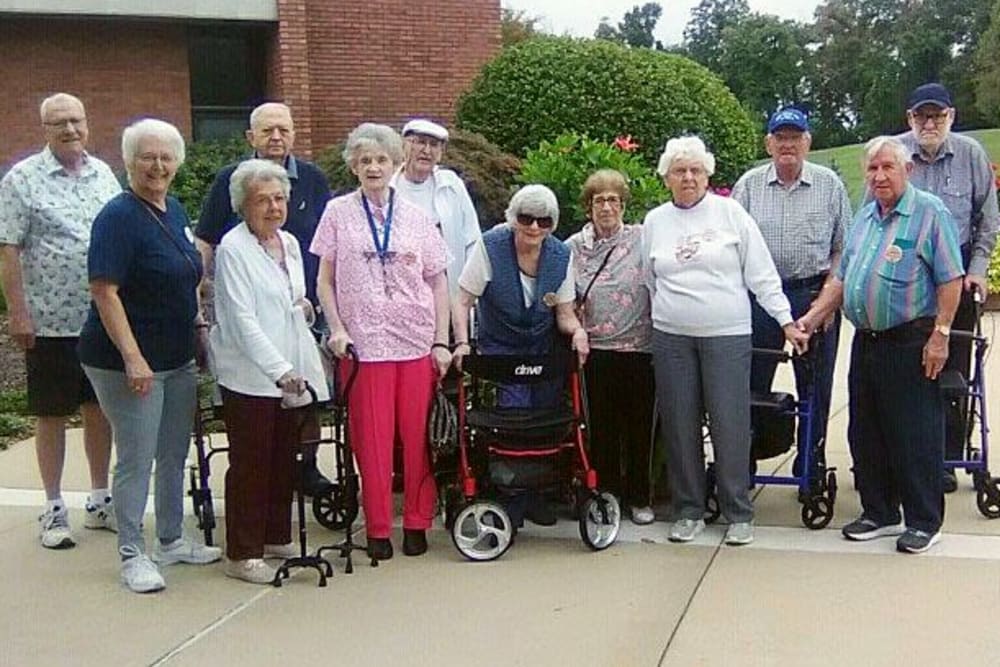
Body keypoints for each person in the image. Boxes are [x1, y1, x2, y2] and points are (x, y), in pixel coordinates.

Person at [800, 136, 964, 554]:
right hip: (867, 342)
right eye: (872, 169)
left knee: (914, 435)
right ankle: (880, 512)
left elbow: (950, 279)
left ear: (906, 170)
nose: (879, 176)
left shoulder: (929, 213)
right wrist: (813, 317)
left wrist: (940, 335)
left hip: (910, 341)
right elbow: (842, 278)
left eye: (887, 167)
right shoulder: (866, 215)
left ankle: (924, 520)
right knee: (866, 431)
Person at [642, 136, 808, 547]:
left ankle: (738, 511)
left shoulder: (730, 213)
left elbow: (761, 274)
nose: (688, 177)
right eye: (680, 171)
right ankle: (688, 510)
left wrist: (785, 320)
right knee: (679, 425)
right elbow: (650, 279)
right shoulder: (655, 221)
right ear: (666, 178)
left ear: (708, 175)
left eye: (696, 170)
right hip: (672, 336)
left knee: (729, 422)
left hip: (726, 334)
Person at [79, 119, 221, 593]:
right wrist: (133, 357)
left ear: (177, 163)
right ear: (129, 162)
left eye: (165, 157)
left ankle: (171, 539)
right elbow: (105, 290)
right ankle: (132, 553)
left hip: (177, 355)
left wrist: (198, 329)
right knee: (137, 458)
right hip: (126, 360)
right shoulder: (118, 217)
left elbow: (186, 279)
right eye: (147, 156)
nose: (157, 166)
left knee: (173, 452)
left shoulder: (173, 208)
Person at [311, 123, 450, 561]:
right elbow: (325, 281)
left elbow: (438, 279)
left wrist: (441, 341)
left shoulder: (417, 217)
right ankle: (375, 527)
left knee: (417, 437)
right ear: (353, 165)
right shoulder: (336, 212)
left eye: (382, 160)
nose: (374, 167)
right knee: (370, 440)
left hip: (414, 340)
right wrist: (336, 328)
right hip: (363, 344)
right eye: (365, 160)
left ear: (396, 165)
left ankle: (416, 522)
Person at [0, 93, 119, 549]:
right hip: (49, 320)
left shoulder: (103, 173)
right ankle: (52, 507)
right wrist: (18, 311)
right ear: (44, 129)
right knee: (50, 413)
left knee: (98, 409)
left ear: (87, 123)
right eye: (58, 123)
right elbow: (8, 247)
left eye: (75, 120)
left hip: (100, 316)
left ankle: (100, 498)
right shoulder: (23, 179)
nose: (69, 129)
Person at [195, 102, 332, 495]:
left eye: (283, 130)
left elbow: (328, 243)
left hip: (300, 304)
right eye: (267, 130)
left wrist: (321, 302)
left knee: (309, 398)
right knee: (261, 405)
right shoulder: (232, 180)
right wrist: (197, 296)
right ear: (250, 137)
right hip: (251, 304)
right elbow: (206, 239)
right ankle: (264, 482)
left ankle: (305, 466)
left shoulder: (312, 178)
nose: (276, 137)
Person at [210, 159, 330, 584]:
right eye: (263, 200)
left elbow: (291, 298)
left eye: (279, 198)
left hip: (291, 368)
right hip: (250, 374)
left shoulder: (291, 244)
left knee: (285, 456)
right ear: (243, 205)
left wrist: (306, 309)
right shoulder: (233, 249)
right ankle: (242, 552)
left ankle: (275, 533)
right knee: (252, 462)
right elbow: (242, 320)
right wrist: (279, 370)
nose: (274, 207)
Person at [452, 184, 590, 527]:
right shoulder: (491, 246)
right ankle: (510, 493)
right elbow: (463, 300)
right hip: (500, 347)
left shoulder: (560, 256)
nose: (534, 228)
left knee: (545, 419)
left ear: (552, 225)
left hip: (542, 348)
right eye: (526, 219)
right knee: (513, 418)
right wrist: (462, 342)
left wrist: (579, 332)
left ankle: (537, 493)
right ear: (514, 218)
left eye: (543, 221)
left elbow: (564, 313)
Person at [732, 107, 851, 477]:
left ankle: (810, 459)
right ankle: (746, 455)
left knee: (815, 383)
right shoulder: (748, 186)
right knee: (751, 381)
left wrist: (828, 300)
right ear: (768, 143)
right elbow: (731, 247)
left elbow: (844, 250)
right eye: (780, 137)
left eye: (795, 137)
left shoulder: (829, 184)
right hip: (760, 300)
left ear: (807, 142)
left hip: (812, 294)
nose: (788, 145)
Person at [897, 83, 999, 493]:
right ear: (910, 119)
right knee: (908, 369)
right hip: (908, 276)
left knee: (952, 372)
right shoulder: (896, 154)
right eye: (922, 116)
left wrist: (977, 269)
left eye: (937, 116)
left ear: (951, 117)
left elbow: (988, 221)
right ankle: (906, 456)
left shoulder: (971, 154)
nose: (929, 123)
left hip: (956, 275)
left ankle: (945, 458)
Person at [566, 169, 654, 525]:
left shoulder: (642, 238)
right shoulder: (574, 247)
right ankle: (607, 494)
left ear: (623, 205)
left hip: (638, 347)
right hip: (595, 350)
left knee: (639, 428)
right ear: (588, 207)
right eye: (599, 200)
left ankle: (639, 497)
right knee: (600, 429)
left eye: (613, 200)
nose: (606, 207)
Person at [391, 118, 481, 297]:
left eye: (434, 145)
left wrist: (469, 289)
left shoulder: (451, 184)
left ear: (440, 153)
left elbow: (472, 238)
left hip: (448, 289)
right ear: (404, 146)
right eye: (419, 142)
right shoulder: (388, 187)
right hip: (399, 292)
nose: (426, 151)